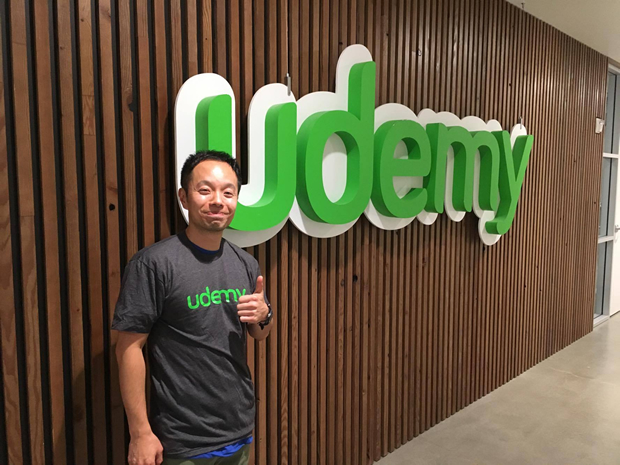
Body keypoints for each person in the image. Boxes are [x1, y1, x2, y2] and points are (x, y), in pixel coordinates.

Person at [112, 151, 273, 465]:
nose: (218, 201)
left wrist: (264, 316)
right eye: (205, 190)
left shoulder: (245, 263)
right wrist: (140, 432)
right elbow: (128, 349)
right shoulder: (154, 264)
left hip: (239, 429)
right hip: (183, 440)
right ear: (184, 197)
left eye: (228, 192)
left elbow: (260, 333)